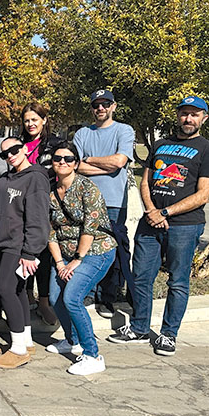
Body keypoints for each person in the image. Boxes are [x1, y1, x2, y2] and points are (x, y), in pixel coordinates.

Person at [108, 96, 209, 357]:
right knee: (140, 277)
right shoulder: (161, 145)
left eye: (194, 114)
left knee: (178, 282)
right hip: (150, 224)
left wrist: (165, 212)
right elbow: (146, 181)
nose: (188, 119)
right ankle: (139, 328)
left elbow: (203, 195)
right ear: (178, 115)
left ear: (204, 118)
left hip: (184, 227)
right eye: (184, 113)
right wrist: (151, 211)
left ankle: (168, 335)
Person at [45, 142, 117, 376]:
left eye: (68, 159)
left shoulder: (88, 188)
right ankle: (71, 340)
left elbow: (90, 227)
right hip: (64, 254)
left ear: (76, 163)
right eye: (57, 158)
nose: (62, 162)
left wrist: (76, 260)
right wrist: (59, 263)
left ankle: (92, 355)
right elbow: (50, 232)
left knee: (72, 297)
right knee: (56, 298)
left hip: (96, 251)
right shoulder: (50, 192)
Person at [73, 89, 136, 318]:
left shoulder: (124, 130)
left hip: (114, 202)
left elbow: (119, 162)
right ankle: (87, 292)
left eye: (105, 104)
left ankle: (106, 297)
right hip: (85, 200)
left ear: (113, 106)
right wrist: (105, 166)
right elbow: (75, 166)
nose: (100, 108)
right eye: (96, 105)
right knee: (86, 247)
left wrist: (89, 159)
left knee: (113, 250)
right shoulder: (82, 134)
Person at [0, 137, 50, 369]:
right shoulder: (5, 179)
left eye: (14, 150)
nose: (10, 156)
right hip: (4, 242)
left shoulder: (35, 178)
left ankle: (17, 349)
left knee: (4, 288)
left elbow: (38, 218)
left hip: (20, 246)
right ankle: (26, 340)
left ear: (25, 149)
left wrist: (30, 252)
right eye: (4, 154)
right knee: (17, 290)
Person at [21, 102, 63, 325]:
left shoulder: (55, 144)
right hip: (23, 205)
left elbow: (63, 169)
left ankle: (44, 301)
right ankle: (27, 296)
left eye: (34, 120)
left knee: (44, 254)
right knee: (26, 250)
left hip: (47, 205)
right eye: (27, 120)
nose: (30, 124)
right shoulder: (19, 145)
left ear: (44, 120)